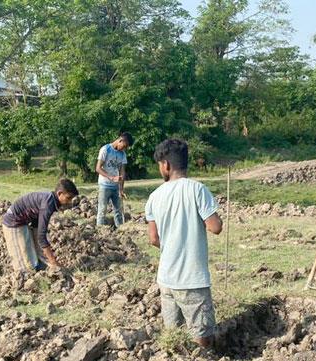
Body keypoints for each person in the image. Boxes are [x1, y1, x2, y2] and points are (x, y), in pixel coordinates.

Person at [145, 138, 223, 348]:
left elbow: (153, 239)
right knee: (201, 336)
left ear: (166, 165)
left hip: (166, 279)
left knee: (175, 337)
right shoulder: (197, 189)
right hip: (192, 280)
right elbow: (215, 227)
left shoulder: (154, 196)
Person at [0, 179, 79, 278]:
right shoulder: (48, 204)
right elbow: (41, 237)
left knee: (36, 251)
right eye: (68, 198)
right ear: (59, 194)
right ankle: (26, 280)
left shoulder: (52, 200)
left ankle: (39, 267)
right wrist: (53, 261)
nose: (70, 201)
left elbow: (38, 226)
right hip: (13, 222)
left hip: (24, 221)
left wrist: (44, 254)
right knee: (24, 262)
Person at [95, 132, 134, 227]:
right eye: (124, 146)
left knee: (119, 211)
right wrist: (111, 177)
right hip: (104, 185)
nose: (124, 149)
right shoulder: (105, 149)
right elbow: (98, 168)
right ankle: (100, 231)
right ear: (120, 140)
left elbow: (122, 172)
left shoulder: (122, 154)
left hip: (116, 187)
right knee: (102, 210)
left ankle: (120, 231)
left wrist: (121, 189)